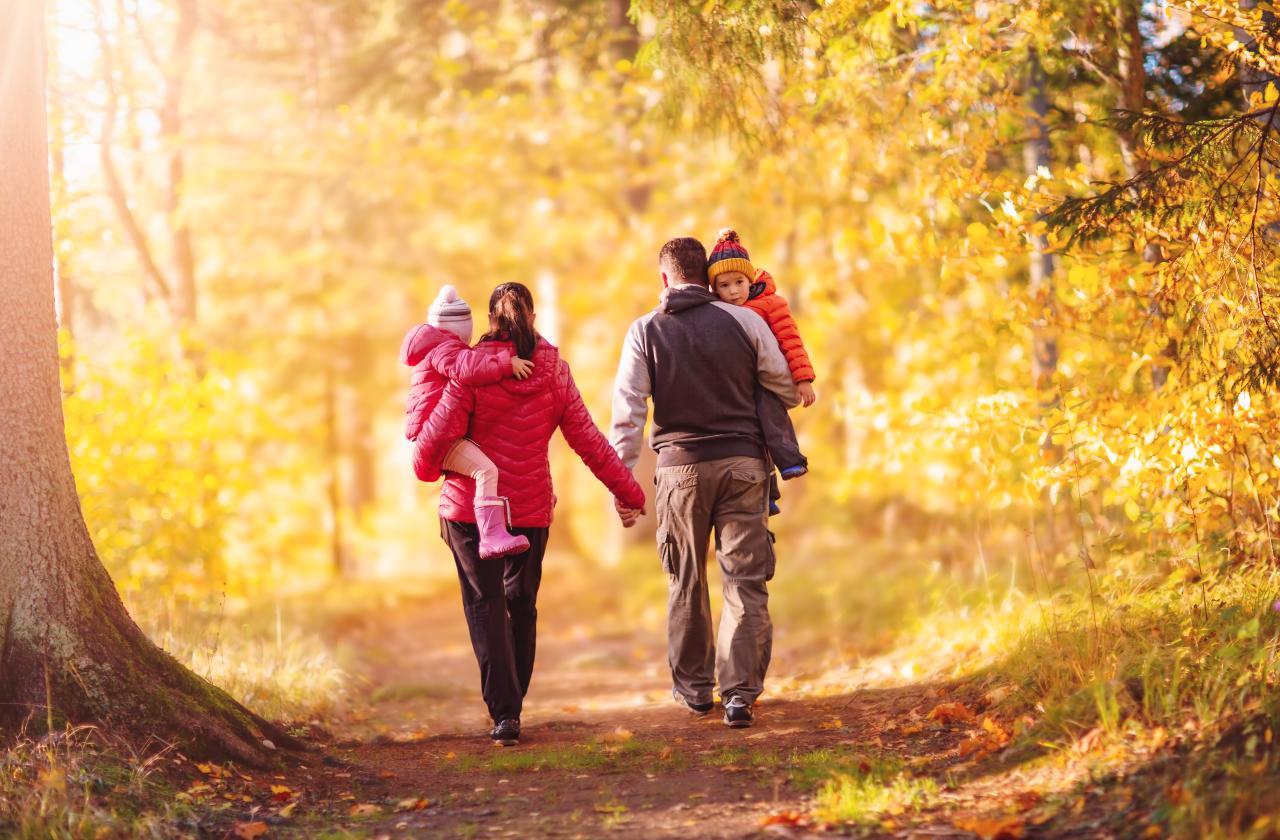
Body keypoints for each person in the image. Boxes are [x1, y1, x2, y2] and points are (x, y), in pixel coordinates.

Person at [416, 282, 647, 746]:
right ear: (534, 317)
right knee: (520, 604)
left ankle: (505, 713)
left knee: (486, 605)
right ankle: (512, 702)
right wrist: (630, 494)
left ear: (489, 320)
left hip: (467, 510)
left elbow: (428, 455)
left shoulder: (470, 372)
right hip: (529, 508)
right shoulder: (553, 371)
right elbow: (589, 441)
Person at [610, 237, 799, 729]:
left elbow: (628, 414)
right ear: (709, 275)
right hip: (743, 466)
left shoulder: (644, 330)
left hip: (678, 472)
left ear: (664, 279)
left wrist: (620, 480)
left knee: (685, 581)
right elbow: (785, 386)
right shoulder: (747, 321)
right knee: (745, 580)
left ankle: (696, 691)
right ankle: (739, 695)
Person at [400, 284, 536, 559]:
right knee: (486, 471)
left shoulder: (436, 347)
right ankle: (491, 536)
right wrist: (505, 364)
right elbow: (467, 368)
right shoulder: (444, 350)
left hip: (437, 435)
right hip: (437, 439)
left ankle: (493, 529)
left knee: (486, 466)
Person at [705, 229, 817, 515]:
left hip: (766, 381)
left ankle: (791, 459)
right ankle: (768, 495)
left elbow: (791, 341)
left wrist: (802, 379)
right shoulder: (718, 310)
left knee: (771, 418)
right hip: (740, 384)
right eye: (724, 285)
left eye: (739, 282)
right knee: (751, 437)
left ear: (750, 279)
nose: (733, 292)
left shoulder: (771, 304)